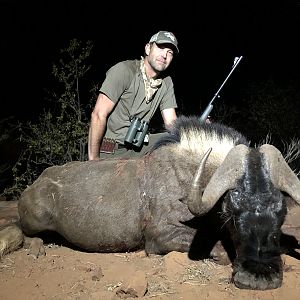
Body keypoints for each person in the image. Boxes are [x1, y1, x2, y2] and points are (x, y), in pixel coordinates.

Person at [88, 31, 179, 160]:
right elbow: (98, 114)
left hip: (138, 147)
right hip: (112, 150)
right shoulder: (124, 70)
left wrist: (195, 130)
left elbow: (171, 124)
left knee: (175, 139)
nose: (164, 55)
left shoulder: (166, 82)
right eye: (161, 47)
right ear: (148, 48)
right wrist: (93, 160)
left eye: (170, 52)